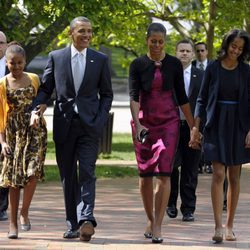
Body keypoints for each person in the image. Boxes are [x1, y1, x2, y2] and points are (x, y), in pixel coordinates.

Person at [31, 16, 113, 242]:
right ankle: (72, 224)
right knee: (68, 176)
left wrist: (100, 119)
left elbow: (107, 94)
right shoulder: (56, 57)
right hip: (64, 125)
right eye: (82, 31)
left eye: (90, 31)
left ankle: (86, 218)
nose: (87, 35)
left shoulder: (100, 59)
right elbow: (46, 88)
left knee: (87, 171)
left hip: (90, 126)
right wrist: (38, 105)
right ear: (71, 33)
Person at [129, 23, 196, 244]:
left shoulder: (174, 64)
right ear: (146, 40)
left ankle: (158, 224)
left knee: (164, 173)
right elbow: (134, 96)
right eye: (153, 41)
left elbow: (182, 97)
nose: (157, 45)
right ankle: (149, 218)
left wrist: (193, 125)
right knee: (145, 174)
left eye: (161, 41)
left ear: (165, 41)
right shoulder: (137, 64)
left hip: (169, 122)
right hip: (144, 123)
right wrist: (138, 125)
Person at [191, 29, 250, 243]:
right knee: (217, 174)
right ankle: (217, 226)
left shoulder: (246, 71)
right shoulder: (213, 68)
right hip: (215, 124)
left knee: (234, 176)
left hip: (239, 125)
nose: (236, 51)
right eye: (233, 46)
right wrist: (196, 126)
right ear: (226, 45)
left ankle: (230, 226)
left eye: (240, 48)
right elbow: (201, 98)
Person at [0, 43, 47, 239]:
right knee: (14, 180)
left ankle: (24, 212)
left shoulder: (35, 79)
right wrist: (2, 143)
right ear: (7, 63)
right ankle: (12, 224)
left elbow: (43, 100)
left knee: (33, 172)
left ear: (25, 62)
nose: (17, 67)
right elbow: (0, 116)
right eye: (12, 63)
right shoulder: (2, 84)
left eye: (20, 63)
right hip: (12, 134)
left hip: (35, 131)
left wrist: (38, 112)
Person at [166, 39, 203, 222]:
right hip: (171, 127)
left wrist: (198, 127)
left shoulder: (201, 76)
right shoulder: (167, 74)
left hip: (193, 128)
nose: (185, 54)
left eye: (188, 51)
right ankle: (170, 203)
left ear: (193, 54)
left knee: (190, 169)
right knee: (172, 166)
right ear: (175, 52)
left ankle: (188, 208)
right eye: (181, 50)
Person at [192, 42, 213, 174]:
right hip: (196, 106)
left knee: (209, 134)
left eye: (202, 51)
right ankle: (198, 164)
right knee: (197, 133)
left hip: (210, 107)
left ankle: (208, 163)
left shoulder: (213, 66)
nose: (200, 53)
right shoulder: (192, 66)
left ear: (206, 52)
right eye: (198, 51)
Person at [0, 31, 9, 221]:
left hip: (8, 125)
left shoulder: (13, 66)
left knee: (5, 165)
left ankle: (1, 207)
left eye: (0, 42)